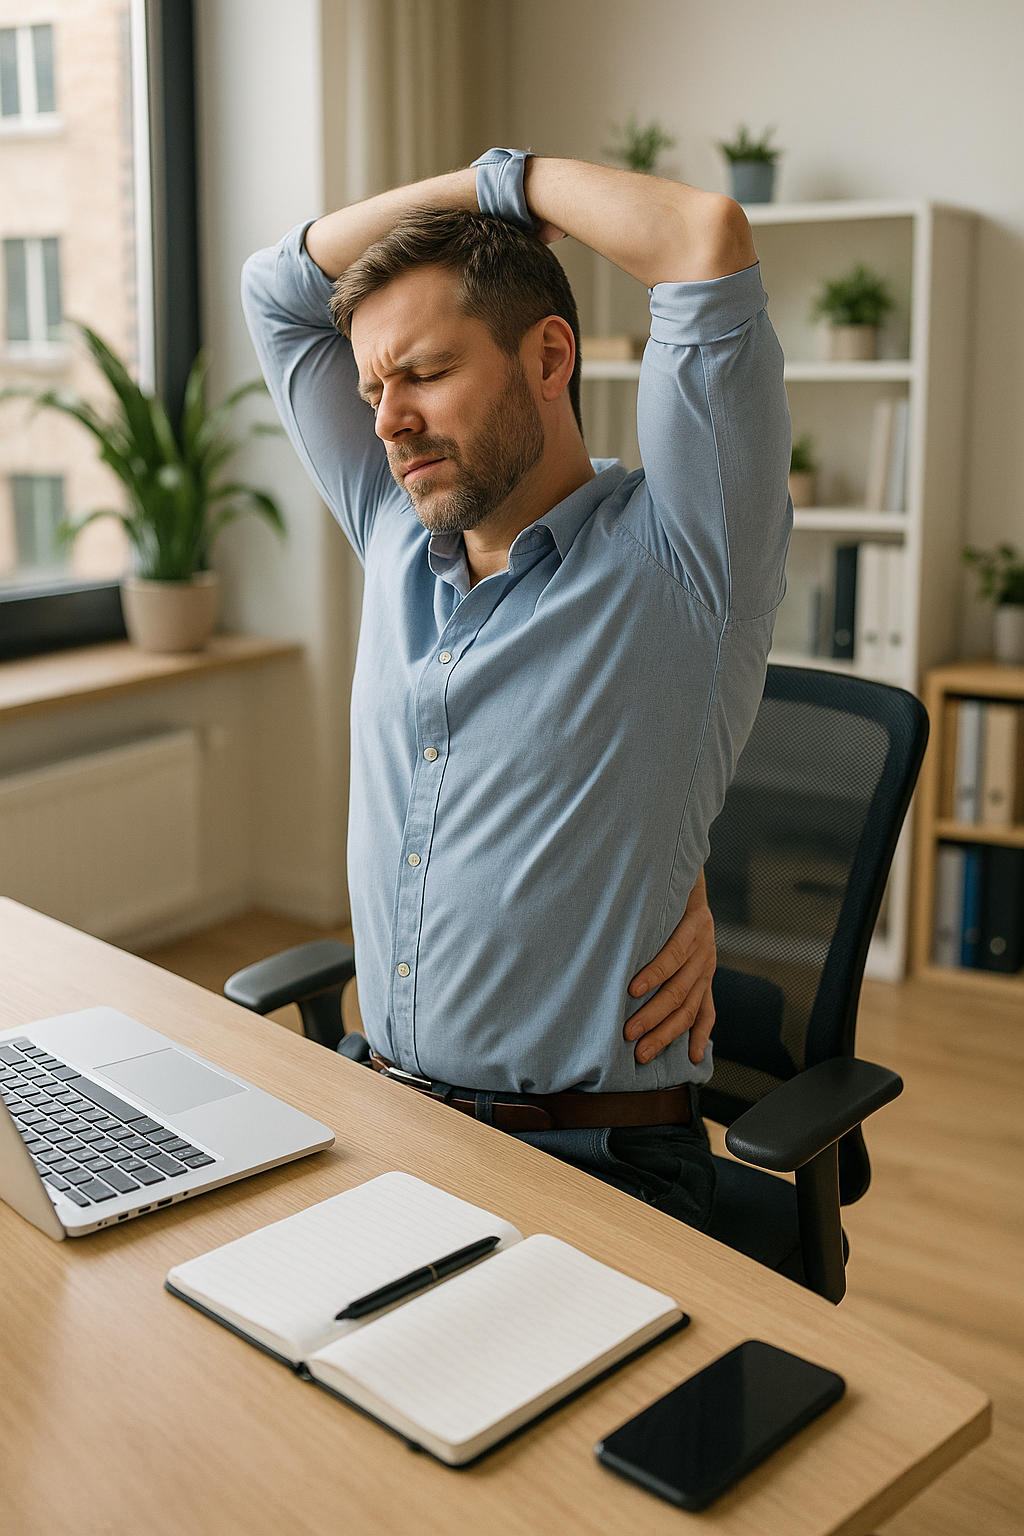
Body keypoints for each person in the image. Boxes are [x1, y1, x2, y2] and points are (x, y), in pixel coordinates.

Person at [242, 149, 791, 1233]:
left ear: (549, 359)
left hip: (590, 1161)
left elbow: (701, 239)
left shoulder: (684, 552)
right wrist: (459, 196)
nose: (388, 419)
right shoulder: (399, 534)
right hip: (381, 1118)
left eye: (427, 372)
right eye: (371, 387)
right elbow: (275, 288)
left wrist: (515, 184)